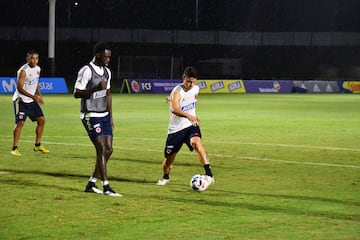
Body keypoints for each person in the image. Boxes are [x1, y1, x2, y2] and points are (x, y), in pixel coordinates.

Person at [73, 42, 122, 197]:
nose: (108, 60)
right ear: (98, 55)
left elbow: (108, 95)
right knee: (101, 148)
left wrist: (111, 117)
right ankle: (106, 187)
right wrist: (95, 88)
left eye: (109, 57)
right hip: (90, 114)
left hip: (104, 115)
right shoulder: (86, 70)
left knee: (109, 150)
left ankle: (91, 183)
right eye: (106, 57)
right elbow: (76, 93)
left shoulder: (107, 72)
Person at [157, 66, 214, 187]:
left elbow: (190, 99)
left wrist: (190, 116)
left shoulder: (196, 89)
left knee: (197, 143)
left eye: (193, 81)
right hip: (176, 130)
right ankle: (165, 176)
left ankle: (209, 174)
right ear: (183, 78)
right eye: (188, 81)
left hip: (190, 126)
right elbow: (175, 109)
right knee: (169, 160)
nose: (191, 84)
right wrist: (187, 113)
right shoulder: (177, 91)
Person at [11, 50, 50, 156]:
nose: (34, 60)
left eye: (36, 58)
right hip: (21, 100)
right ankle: (14, 148)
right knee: (20, 123)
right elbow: (19, 88)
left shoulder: (38, 69)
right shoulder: (23, 71)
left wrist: (40, 95)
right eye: (32, 58)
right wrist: (34, 97)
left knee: (41, 120)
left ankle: (37, 145)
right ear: (27, 59)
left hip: (31, 100)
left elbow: (36, 82)